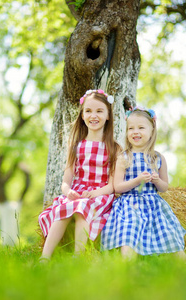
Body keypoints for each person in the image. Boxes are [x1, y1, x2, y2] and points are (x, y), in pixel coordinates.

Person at [38, 89, 120, 261]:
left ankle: (78, 257)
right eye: (88, 111)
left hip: (100, 194)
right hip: (78, 192)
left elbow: (112, 185)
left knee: (82, 209)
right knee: (63, 209)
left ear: (108, 116)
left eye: (99, 111)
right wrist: (68, 192)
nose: (93, 115)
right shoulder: (76, 146)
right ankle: (44, 258)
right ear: (82, 116)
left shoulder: (114, 148)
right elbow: (66, 181)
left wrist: (95, 193)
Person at [101, 106, 186, 263]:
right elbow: (118, 187)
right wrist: (137, 181)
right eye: (131, 128)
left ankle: (184, 263)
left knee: (167, 232)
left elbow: (164, 187)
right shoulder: (124, 157)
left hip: (153, 205)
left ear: (151, 131)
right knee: (129, 233)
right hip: (129, 204)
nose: (135, 132)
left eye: (141, 128)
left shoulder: (158, 157)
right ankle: (127, 263)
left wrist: (157, 181)